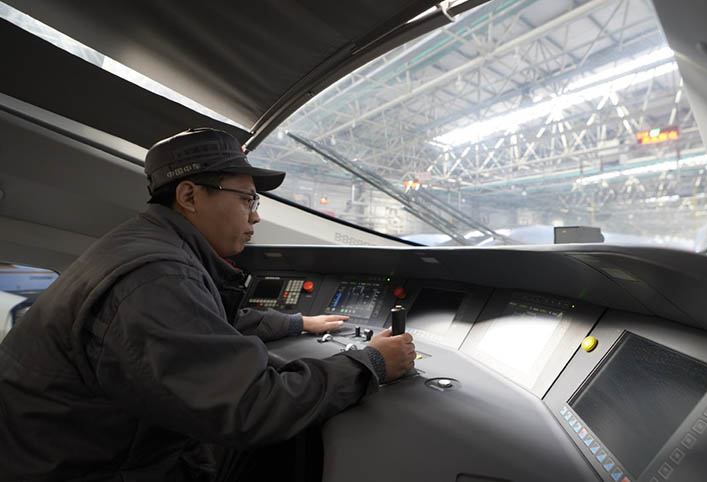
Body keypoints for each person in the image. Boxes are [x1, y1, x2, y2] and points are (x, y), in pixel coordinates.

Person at [0, 128, 416, 481]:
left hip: (71, 449)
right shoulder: (157, 277)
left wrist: (296, 323)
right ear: (190, 196)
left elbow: (206, 322)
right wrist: (371, 364)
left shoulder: (143, 245)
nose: (255, 217)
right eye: (246, 199)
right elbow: (250, 406)